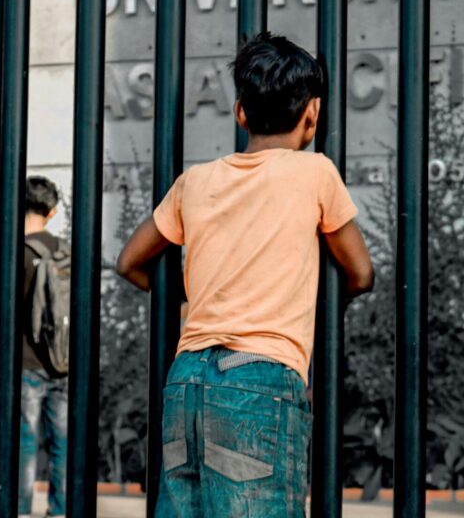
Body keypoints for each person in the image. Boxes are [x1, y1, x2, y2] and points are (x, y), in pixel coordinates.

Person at [116, 32, 375, 516]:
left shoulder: (195, 181)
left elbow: (130, 261)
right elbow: (360, 272)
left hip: (186, 379)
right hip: (261, 375)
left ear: (240, 113)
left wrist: (194, 304)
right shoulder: (315, 172)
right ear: (312, 114)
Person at [19, 176, 68, 517]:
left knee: (25, 444)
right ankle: (60, 509)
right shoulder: (66, 252)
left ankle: (20, 509)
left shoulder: (14, 251)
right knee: (63, 444)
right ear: (51, 213)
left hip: (25, 364)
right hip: (64, 363)